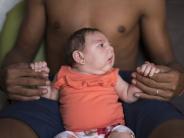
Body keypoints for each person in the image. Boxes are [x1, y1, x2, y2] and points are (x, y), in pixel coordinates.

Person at [0, 0, 184, 138]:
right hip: (60, 89)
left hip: (125, 87)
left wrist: (180, 81)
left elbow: (168, 60)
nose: (110, 48)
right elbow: (21, 51)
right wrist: (4, 76)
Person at [30, 28, 160, 138]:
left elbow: (129, 95)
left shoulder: (112, 75)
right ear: (80, 57)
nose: (111, 49)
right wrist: (40, 77)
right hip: (75, 134)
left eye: (110, 45)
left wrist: (144, 75)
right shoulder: (63, 74)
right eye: (101, 45)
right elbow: (51, 95)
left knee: (122, 135)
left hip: (112, 130)